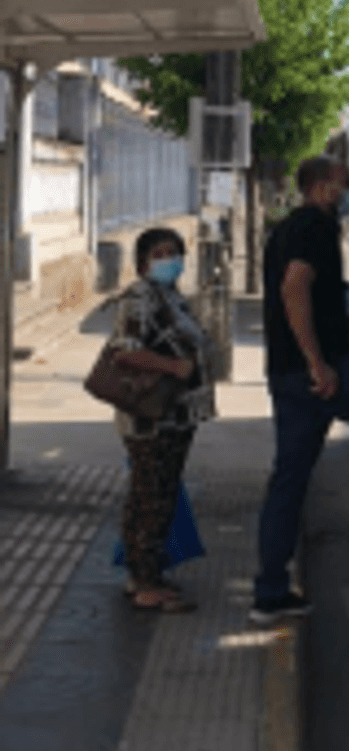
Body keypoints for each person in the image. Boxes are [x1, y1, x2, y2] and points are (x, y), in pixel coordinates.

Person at [251, 156, 349, 625]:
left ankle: (270, 591)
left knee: (290, 479)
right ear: (321, 189)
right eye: (347, 185)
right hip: (323, 374)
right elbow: (294, 288)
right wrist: (318, 362)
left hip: (287, 373)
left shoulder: (285, 229)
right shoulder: (315, 228)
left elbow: (308, 291)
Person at [110, 227, 216, 613]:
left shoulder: (168, 296)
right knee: (151, 496)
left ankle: (145, 574)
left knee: (157, 494)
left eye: (174, 252)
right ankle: (144, 583)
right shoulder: (140, 297)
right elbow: (126, 352)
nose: (170, 259)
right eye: (160, 253)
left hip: (174, 418)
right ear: (142, 262)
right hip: (152, 420)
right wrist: (173, 365)